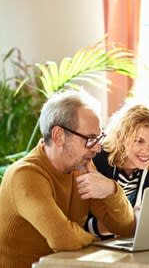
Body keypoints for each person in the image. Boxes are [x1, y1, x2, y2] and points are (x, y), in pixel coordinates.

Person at [0, 90, 135, 268]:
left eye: (98, 138)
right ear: (58, 136)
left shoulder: (81, 168)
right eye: (90, 139)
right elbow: (63, 239)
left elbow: (126, 229)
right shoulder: (25, 175)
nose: (97, 149)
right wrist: (94, 239)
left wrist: (112, 190)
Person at [85, 104, 149, 238]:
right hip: (97, 246)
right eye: (139, 141)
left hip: (136, 242)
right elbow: (83, 221)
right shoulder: (97, 162)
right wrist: (126, 226)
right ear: (122, 137)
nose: (147, 151)